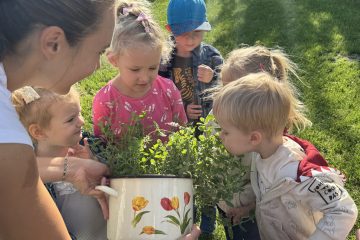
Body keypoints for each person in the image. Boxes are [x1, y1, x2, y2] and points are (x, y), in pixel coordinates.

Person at [0, 0, 115, 239]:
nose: (98, 65)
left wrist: (71, 168)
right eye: (99, 51)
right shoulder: (7, 135)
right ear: (53, 43)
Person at [212, 72, 358, 240]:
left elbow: (343, 209)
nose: (220, 136)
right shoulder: (262, 155)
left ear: (254, 138)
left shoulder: (295, 174)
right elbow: (270, 195)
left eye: (226, 131)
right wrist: (249, 209)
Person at [214, 45, 300, 240]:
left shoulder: (271, 146)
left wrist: (248, 207)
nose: (223, 94)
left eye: (232, 88)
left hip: (252, 211)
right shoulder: (221, 113)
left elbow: (269, 188)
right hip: (227, 202)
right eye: (223, 86)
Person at [158, 0, 223, 235]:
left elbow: (226, 89)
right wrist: (181, 111)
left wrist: (214, 78)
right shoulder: (164, 60)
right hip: (177, 129)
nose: (191, 39)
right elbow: (160, 93)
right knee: (182, 172)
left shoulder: (211, 56)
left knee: (207, 172)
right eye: (184, 34)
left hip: (206, 128)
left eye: (197, 33)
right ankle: (186, 218)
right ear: (170, 31)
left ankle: (207, 223)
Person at [12, 87, 107, 240]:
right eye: (71, 119)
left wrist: (93, 162)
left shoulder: (92, 147)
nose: (81, 121)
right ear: (39, 132)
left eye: (80, 113)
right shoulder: (31, 174)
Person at [93, 0, 187, 140]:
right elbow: (102, 145)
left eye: (152, 68)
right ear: (114, 60)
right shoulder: (105, 101)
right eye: (135, 69)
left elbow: (183, 132)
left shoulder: (168, 90)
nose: (144, 78)